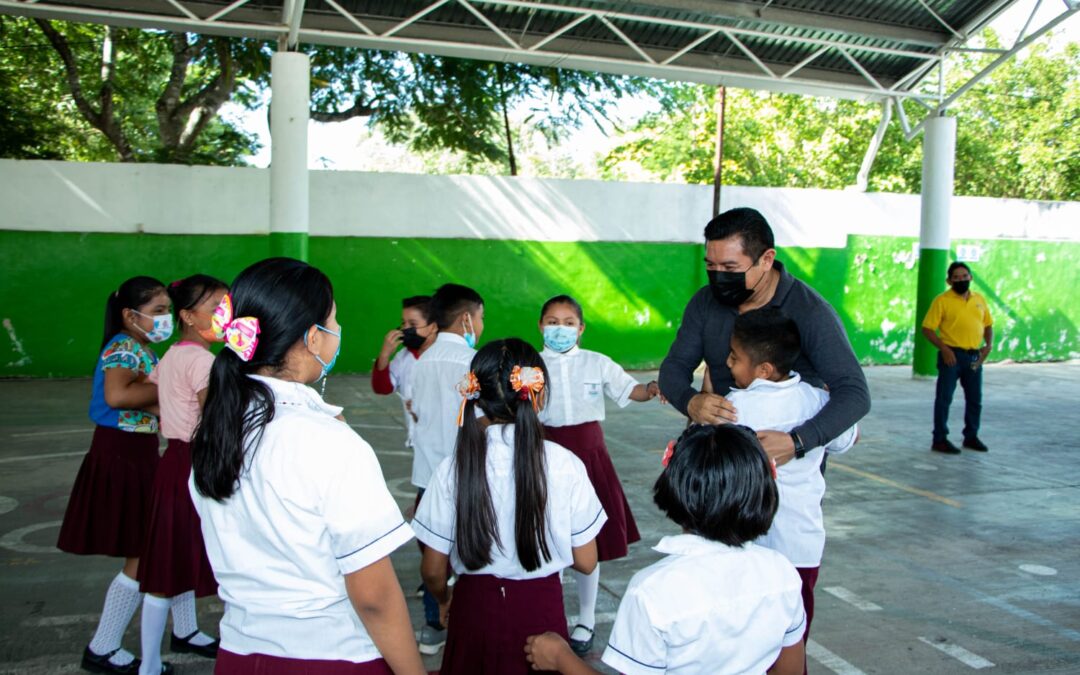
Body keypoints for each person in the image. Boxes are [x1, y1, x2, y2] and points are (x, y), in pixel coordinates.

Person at [189, 258, 425, 674]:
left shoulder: (216, 431)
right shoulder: (327, 441)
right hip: (332, 656)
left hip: (241, 654)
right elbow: (373, 596)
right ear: (314, 337)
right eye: (334, 319)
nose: (338, 330)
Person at [523, 424, 806, 675]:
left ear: (676, 489)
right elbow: (791, 670)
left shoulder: (653, 591)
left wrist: (562, 658)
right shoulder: (783, 572)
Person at [413, 338, 607, 675]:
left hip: (472, 611)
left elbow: (432, 569)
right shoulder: (565, 465)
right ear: (539, 394)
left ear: (474, 394)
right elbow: (587, 561)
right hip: (541, 618)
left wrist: (443, 599)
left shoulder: (453, 467)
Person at [658, 207, 870, 467]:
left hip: (790, 473)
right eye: (711, 266)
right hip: (722, 465)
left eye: (730, 267)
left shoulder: (810, 312)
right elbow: (674, 367)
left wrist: (798, 442)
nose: (718, 276)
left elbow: (855, 394)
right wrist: (689, 401)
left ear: (767, 259)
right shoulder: (705, 303)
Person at [724, 308, 856, 671]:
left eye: (735, 357)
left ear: (763, 370)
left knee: (748, 636)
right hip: (801, 543)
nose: (727, 363)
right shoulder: (816, 400)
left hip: (747, 545)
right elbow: (847, 439)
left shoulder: (736, 406)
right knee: (793, 634)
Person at [57, 276, 170, 674]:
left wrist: (157, 394)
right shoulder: (124, 347)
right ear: (129, 315)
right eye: (158, 311)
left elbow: (145, 400)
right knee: (142, 551)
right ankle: (103, 645)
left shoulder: (141, 348)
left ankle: (113, 643)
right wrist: (165, 389)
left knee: (149, 548)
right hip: (122, 454)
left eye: (168, 311)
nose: (165, 319)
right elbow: (118, 396)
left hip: (136, 451)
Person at [536, 294, 659, 654]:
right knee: (547, 534)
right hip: (544, 454)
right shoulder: (530, 367)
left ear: (581, 328)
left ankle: (586, 619)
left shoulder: (596, 362)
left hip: (590, 455)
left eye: (569, 322)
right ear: (540, 325)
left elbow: (630, 390)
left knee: (586, 537)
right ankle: (549, 613)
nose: (560, 329)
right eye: (553, 321)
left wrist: (651, 389)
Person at [136, 275, 228, 675]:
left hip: (172, 460)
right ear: (189, 316)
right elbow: (216, 422)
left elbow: (159, 396)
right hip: (193, 463)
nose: (225, 317)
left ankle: (153, 661)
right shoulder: (203, 361)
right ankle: (150, 665)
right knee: (175, 564)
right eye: (215, 309)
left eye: (227, 308)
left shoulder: (173, 354)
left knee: (166, 563)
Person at [407, 283, 484, 654]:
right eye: (481, 317)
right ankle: (469, 619)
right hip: (466, 475)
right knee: (471, 553)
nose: (482, 325)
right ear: (467, 319)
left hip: (427, 477)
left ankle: (433, 625)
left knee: (433, 555)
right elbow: (482, 420)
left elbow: (416, 413)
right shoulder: (472, 364)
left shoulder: (419, 363)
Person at [920, 261, 994, 454]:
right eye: (956, 277)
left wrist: (988, 346)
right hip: (951, 356)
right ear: (949, 280)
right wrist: (944, 349)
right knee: (944, 398)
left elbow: (988, 325)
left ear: (971, 277)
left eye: (964, 276)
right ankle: (940, 438)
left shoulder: (979, 299)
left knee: (975, 399)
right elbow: (927, 329)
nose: (961, 280)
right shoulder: (942, 301)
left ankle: (971, 436)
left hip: (974, 357)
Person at [371, 296, 437, 449]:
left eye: (413, 324)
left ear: (433, 327)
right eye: (403, 323)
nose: (405, 329)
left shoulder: (443, 356)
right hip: (417, 440)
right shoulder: (404, 356)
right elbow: (383, 388)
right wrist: (385, 355)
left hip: (443, 441)